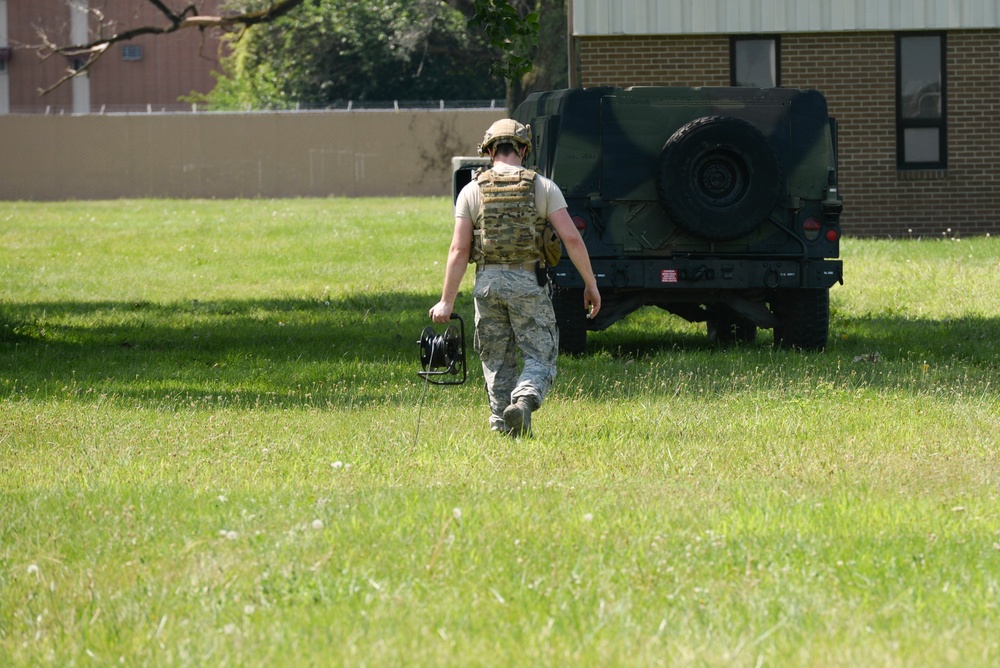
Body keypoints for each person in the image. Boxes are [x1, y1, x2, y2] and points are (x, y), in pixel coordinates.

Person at [429, 119, 601, 436]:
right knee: (540, 355)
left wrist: (446, 302)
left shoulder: (471, 190)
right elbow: (572, 239)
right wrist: (590, 284)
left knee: (495, 359)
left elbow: (458, 249)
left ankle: (501, 424)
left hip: (487, 283)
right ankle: (523, 401)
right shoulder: (543, 186)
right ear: (523, 149)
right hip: (528, 282)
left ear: (490, 151)